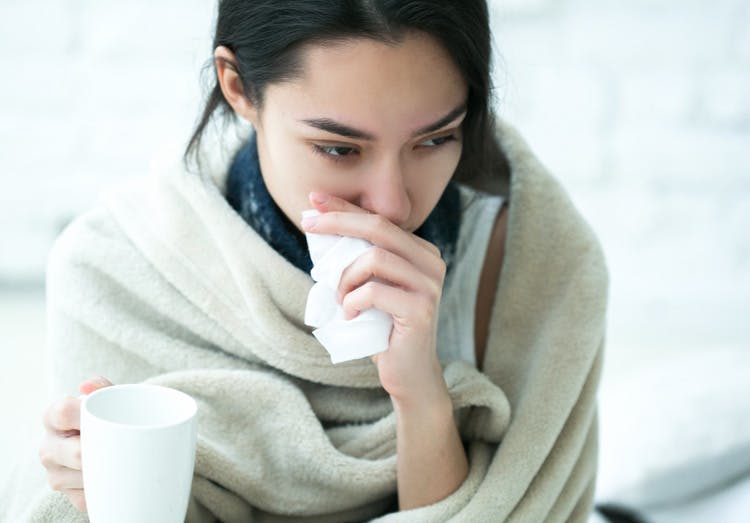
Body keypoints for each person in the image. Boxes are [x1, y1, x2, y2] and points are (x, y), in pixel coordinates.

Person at [3, 1, 608, 521]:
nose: (392, 203)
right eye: (339, 149)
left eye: (434, 139)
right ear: (237, 87)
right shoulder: (116, 272)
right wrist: (95, 484)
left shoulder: (532, 266)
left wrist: (420, 393)